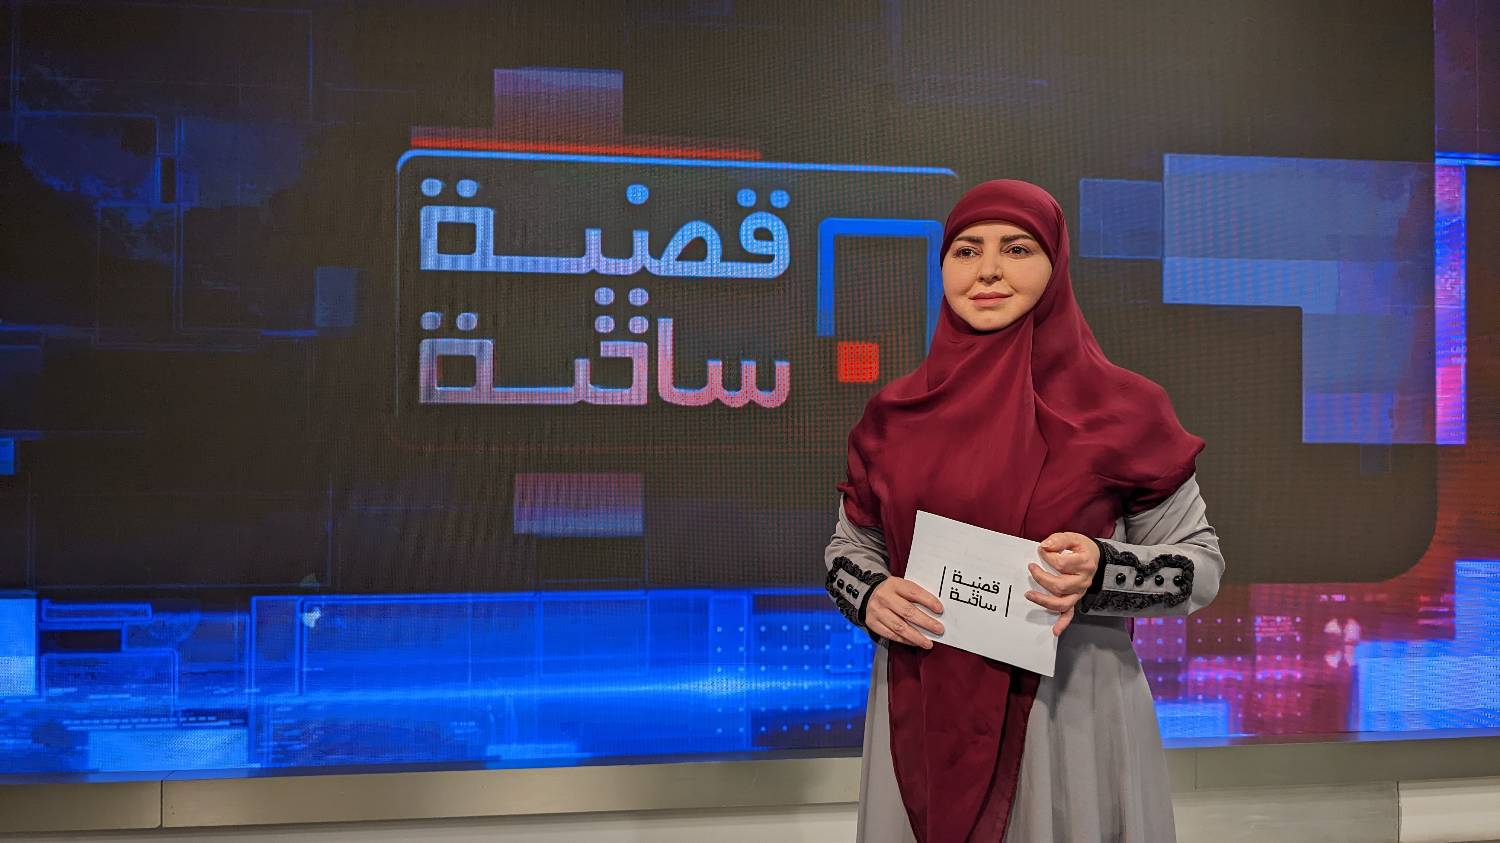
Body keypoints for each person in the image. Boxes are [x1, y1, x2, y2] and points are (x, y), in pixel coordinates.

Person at [823, 179, 1225, 842]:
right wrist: (870, 595)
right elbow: (851, 549)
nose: (987, 270)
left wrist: (1099, 570)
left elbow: (1199, 567)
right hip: (920, 709)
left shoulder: (1126, 409)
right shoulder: (893, 415)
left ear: (1055, 263)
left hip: (1066, 718)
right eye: (965, 251)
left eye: (1016, 249)